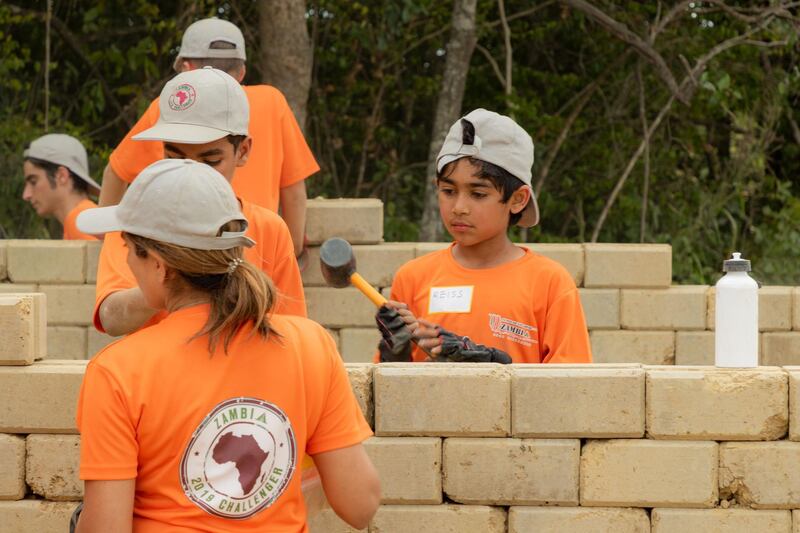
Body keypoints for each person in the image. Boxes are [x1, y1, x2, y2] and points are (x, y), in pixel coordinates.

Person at [74, 158, 379, 532]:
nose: (126, 261)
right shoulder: (310, 345)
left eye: (129, 248)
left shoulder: (117, 371)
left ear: (159, 265)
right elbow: (360, 503)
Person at [93, 67, 305, 337]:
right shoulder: (132, 221)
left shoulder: (268, 229)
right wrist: (170, 287)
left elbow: (288, 331)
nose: (190, 172)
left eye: (209, 161)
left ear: (243, 151)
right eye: (175, 157)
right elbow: (111, 317)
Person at [376, 109, 592, 364]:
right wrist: (395, 355)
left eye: (478, 194)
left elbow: (572, 388)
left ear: (518, 199)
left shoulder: (549, 284)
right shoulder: (413, 278)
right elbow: (391, 390)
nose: (459, 207)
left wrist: (496, 372)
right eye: (448, 190)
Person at [98, 17, 318, 260]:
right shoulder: (272, 102)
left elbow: (115, 172)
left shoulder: (168, 109)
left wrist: (108, 245)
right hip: (257, 253)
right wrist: (292, 252)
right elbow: (294, 190)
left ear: (186, 69)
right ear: (242, 71)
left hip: (189, 256)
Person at [22, 133, 101, 240]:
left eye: (33, 181)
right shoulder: (85, 219)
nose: (26, 195)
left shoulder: (81, 222)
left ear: (61, 176)